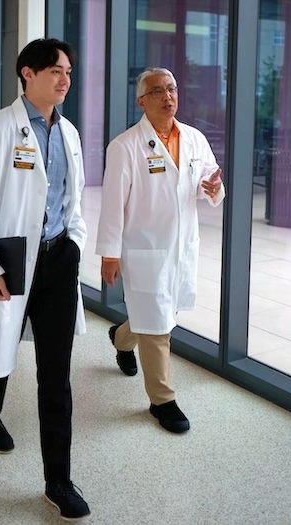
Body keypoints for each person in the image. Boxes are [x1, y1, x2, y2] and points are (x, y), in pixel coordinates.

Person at [0, 38, 90, 521]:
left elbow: (73, 198)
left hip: (58, 261)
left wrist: (74, 243)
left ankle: (59, 479)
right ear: (26, 73)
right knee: (0, 348)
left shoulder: (69, 133)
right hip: (9, 260)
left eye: (69, 73)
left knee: (56, 373)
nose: (64, 80)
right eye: (55, 70)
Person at [96, 67, 225, 434]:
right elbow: (113, 203)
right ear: (141, 101)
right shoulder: (125, 146)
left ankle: (121, 338)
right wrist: (109, 253)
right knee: (157, 326)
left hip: (181, 246)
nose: (168, 96)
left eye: (172, 88)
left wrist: (212, 188)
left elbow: (208, 183)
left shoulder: (195, 138)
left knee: (159, 313)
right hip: (144, 249)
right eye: (157, 91)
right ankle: (162, 400)